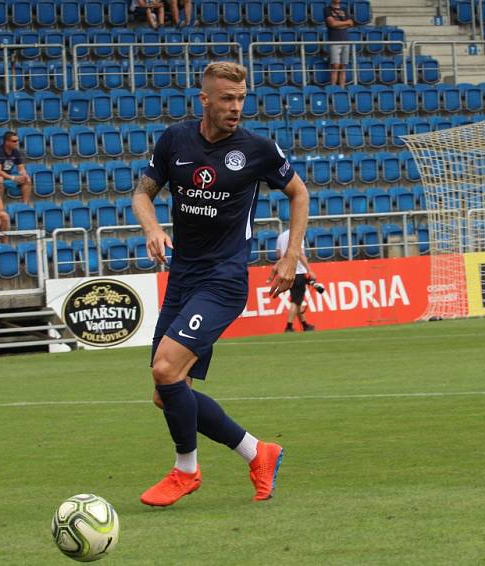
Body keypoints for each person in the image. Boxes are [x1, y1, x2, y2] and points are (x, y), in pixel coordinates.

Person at [132, 61, 309, 507]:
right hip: (183, 278)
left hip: (224, 279)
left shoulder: (257, 149)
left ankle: (185, 470)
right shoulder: (175, 139)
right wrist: (152, 227)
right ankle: (258, 452)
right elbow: (142, 192)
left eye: (241, 98)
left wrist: (291, 256)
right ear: (205, 100)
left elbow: (299, 193)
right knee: (166, 393)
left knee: (166, 369)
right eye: (227, 99)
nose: (236, 107)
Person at [276, 229, 315, 333]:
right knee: (296, 301)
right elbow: (300, 254)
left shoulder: (281, 236)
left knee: (297, 300)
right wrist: (309, 270)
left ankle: (305, 325)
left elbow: (278, 255)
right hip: (298, 271)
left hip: (287, 273)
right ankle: (289, 326)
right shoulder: (298, 235)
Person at [0, 131, 33, 205]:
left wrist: (23, 174)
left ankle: (25, 204)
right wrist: (13, 178)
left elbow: (21, 167)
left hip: (8, 177)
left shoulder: (16, 151)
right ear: (7, 142)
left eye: (17, 140)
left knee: (27, 179)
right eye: (14, 141)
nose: (16, 143)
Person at [325, 0, 354, 87]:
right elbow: (332, 23)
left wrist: (338, 24)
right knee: (335, 66)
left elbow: (351, 23)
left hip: (345, 40)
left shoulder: (344, 9)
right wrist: (345, 23)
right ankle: (333, 88)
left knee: (344, 67)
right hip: (334, 40)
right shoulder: (327, 9)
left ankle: (342, 89)